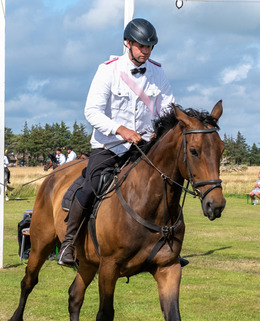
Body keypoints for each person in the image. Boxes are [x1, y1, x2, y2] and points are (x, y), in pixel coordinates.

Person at [58, 18, 174, 267]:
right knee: (91, 186)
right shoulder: (108, 70)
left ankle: (167, 245)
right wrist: (120, 130)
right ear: (128, 43)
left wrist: (158, 132)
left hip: (144, 147)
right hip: (110, 146)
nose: (146, 51)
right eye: (142, 46)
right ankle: (69, 243)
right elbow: (92, 112)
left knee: (164, 187)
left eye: (150, 47)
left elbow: (167, 109)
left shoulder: (158, 73)